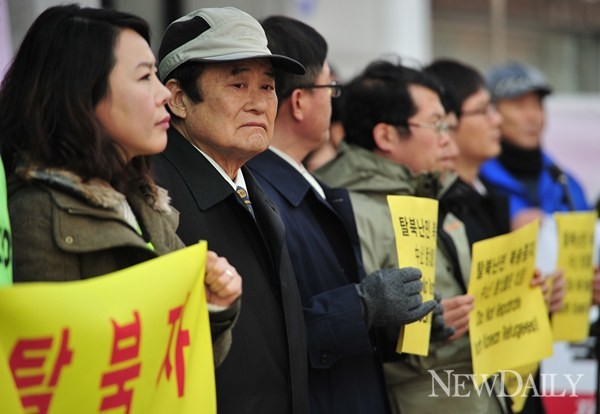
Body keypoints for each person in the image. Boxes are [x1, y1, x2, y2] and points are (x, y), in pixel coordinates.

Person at [0, 4, 241, 366]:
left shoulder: (145, 201)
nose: (164, 94)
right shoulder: (36, 215)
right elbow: (52, 371)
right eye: (144, 77)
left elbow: (188, 367)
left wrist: (214, 307)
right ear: (81, 93)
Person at [246, 16, 439, 413]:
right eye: (330, 87)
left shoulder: (305, 186)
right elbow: (267, 341)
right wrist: (363, 306)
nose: (335, 100)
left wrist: (394, 323)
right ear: (300, 102)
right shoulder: (260, 197)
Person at [314, 60, 509, 413]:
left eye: (448, 124)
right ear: (386, 136)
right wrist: (422, 325)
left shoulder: (433, 193)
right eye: (436, 124)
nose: (447, 139)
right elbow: (345, 328)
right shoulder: (345, 210)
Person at [152, 7, 309, 413]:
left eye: (267, 87)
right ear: (178, 98)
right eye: (238, 85)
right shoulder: (153, 196)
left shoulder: (254, 187)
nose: (259, 104)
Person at [426, 58, 568, 414]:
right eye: (484, 110)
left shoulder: (497, 198)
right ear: (447, 122)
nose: (497, 120)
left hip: (515, 389)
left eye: (537, 105)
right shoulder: (436, 209)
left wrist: (540, 297)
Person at [480, 61, 589, 229]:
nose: (532, 116)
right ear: (492, 113)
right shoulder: (476, 183)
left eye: (537, 105)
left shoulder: (564, 182)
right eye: (520, 105)